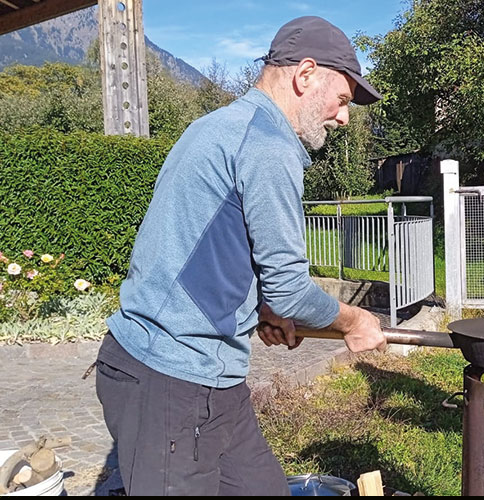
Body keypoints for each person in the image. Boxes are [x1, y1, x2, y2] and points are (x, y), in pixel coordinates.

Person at [93, 16, 387, 496]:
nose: (344, 117)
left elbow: (210, 252)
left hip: (210, 381)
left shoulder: (223, 126)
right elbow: (291, 289)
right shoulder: (268, 145)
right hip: (171, 380)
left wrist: (258, 311)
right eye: (343, 100)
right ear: (306, 74)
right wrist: (355, 321)